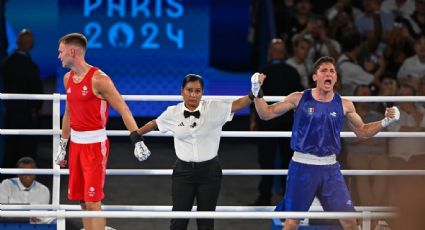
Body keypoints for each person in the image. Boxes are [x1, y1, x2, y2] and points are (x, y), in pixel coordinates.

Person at [250, 56, 400, 230]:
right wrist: (256, 90)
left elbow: (362, 131)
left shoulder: (345, 104)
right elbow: (265, 113)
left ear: (335, 78)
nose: (328, 73)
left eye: (332, 71)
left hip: (330, 169)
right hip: (302, 166)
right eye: (324, 70)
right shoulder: (299, 98)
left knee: (350, 223)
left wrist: (384, 122)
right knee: (292, 223)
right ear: (315, 76)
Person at [54, 33, 151, 230]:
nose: (59, 56)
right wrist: (63, 145)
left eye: (61, 51)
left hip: (94, 146)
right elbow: (69, 114)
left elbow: (123, 108)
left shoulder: (99, 79)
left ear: (72, 51)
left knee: (93, 201)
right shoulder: (67, 79)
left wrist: (137, 139)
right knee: (82, 200)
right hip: (76, 146)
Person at [136, 74, 253, 230]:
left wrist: (254, 93)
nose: (193, 95)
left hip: (210, 172)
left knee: (206, 224)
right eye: (189, 90)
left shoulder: (214, 108)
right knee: (178, 222)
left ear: (202, 93)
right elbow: (154, 123)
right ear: (182, 91)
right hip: (183, 172)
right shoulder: (173, 112)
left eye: (197, 91)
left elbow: (238, 104)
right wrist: (136, 135)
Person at [250, 38, 303, 206]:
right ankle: (287, 197)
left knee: (267, 159)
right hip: (288, 121)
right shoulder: (293, 72)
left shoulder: (262, 72)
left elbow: (255, 96)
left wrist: (253, 120)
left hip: (269, 121)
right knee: (288, 159)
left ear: (270, 53)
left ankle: (265, 197)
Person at [0, 29, 43, 172]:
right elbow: (38, 94)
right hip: (27, 118)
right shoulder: (31, 67)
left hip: (9, 115)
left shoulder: (6, 64)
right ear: (31, 45)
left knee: (10, 152)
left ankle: (6, 185)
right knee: (26, 152)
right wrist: (35, 111)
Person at [0, 157, 53, 224]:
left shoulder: (44, 190)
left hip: (34, 227)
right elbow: (2, 211)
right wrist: (25, 217)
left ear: (36, 171)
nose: (27, 174)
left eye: (30, 170)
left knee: (57, 218)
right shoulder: (6, 184)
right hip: (10, 224)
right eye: (23, 171)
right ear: (17, 172)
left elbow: (41, 217)